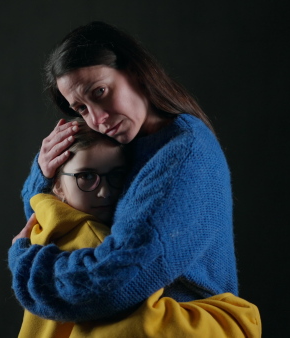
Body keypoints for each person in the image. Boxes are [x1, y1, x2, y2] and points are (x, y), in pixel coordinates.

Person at [9, 20, 250, 326]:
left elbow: (112, 282)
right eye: (81, 108)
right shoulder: (123, 142)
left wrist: (26, 264)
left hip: (179, 327)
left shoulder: (184, 155)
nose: (97, 118)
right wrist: (44, 174)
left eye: (100, 91)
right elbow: (62, 224)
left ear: (135, 72)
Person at [13, 122, 261, 337]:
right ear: (57, 186)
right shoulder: (95, 237)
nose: (104, 191)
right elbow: (141, 327)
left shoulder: (44, 226)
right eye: (86, 177)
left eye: (117, 176)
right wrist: (236, 321)